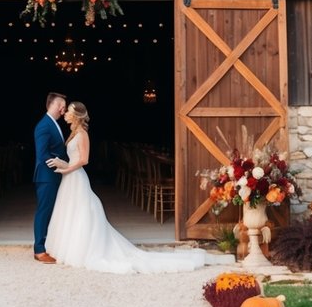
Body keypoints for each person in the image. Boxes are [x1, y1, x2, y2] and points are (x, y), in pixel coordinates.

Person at [45, 101, 209, 273]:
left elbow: (84, 160)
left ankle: (81, 250)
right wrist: (63, 164)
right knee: (71, 211)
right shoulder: (73, 133)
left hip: (76, 177)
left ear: (76, 115)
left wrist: (68, 169)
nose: (65, 114)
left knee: (80, 212)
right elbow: (74, 159)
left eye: (68, 111)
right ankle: (70, 247)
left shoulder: (82, 134)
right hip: (70, 176)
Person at [32, 91, 68, 263]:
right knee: (44, 211)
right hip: (46, 176)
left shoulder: (53, 123)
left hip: (54, 176)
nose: (64, 109)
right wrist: (60, 163)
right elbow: (42, 154)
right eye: (62, 105)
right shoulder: (44, 125)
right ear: (53, 104)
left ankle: (49, 244)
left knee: (52, 211)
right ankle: (39, 250)